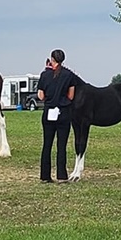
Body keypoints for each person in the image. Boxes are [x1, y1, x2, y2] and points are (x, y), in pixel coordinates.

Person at [37, 49, 78, 183]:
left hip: (48, 112)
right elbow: (71, 96)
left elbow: (40, 95)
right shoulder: (69, 75)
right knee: (62, 145)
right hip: (64, 112)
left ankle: (45, 175)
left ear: (51, 59)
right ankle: (61, 175)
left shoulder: (44, 75)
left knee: (47, 144)